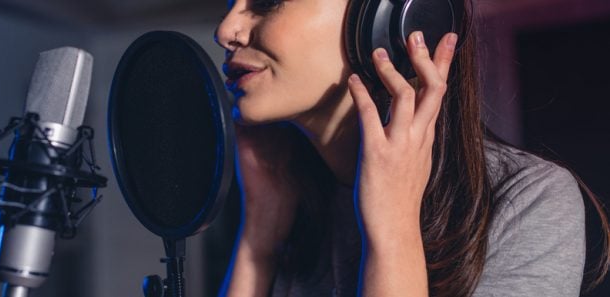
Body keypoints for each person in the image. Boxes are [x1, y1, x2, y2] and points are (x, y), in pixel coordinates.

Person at [213, 0, 610, 296]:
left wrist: (394, 231)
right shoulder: (289, 202)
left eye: (267, 2)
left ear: (385, 16)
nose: (226, 29)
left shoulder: (528, 200)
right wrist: (259, 240)